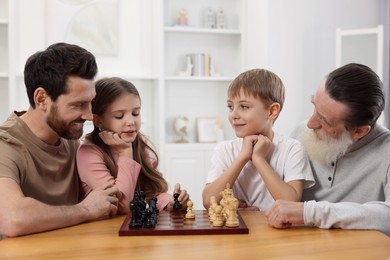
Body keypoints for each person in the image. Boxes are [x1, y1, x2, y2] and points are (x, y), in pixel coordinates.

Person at [0, 43, 120, 237]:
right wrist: (86, 210)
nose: (89, 116)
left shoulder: (70, 139)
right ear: (41, 99)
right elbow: (12, 218)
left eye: (91, 102)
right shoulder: (5, 145)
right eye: (78, 105)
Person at [265, 63, 390, 236]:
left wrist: (309, 212)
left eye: (324, 120)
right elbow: (279, 191)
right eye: (314, 106)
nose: (310, 123)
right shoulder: (302, 131)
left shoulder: (386, 150)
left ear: (359, 131)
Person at [202, 68, 315, 211]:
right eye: (230, 106)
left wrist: (259, 159)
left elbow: (291, 203)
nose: (233, 115)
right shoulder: (224, 149)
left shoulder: (292, 148)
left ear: (272, 111)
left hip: (277, 231)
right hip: (238, 229)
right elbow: (208, 201)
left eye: (244, 106)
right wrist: (242, 157)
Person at [76, 77, 190, 214]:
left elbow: (151, 192)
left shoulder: (139, 145)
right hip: (101, 230)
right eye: (119, 116)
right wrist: (125, 153)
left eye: (136, 113)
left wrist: (169, 203)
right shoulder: (88, 153)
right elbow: (122, 206)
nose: (131, 121)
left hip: (129, 229)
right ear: (98, 121)